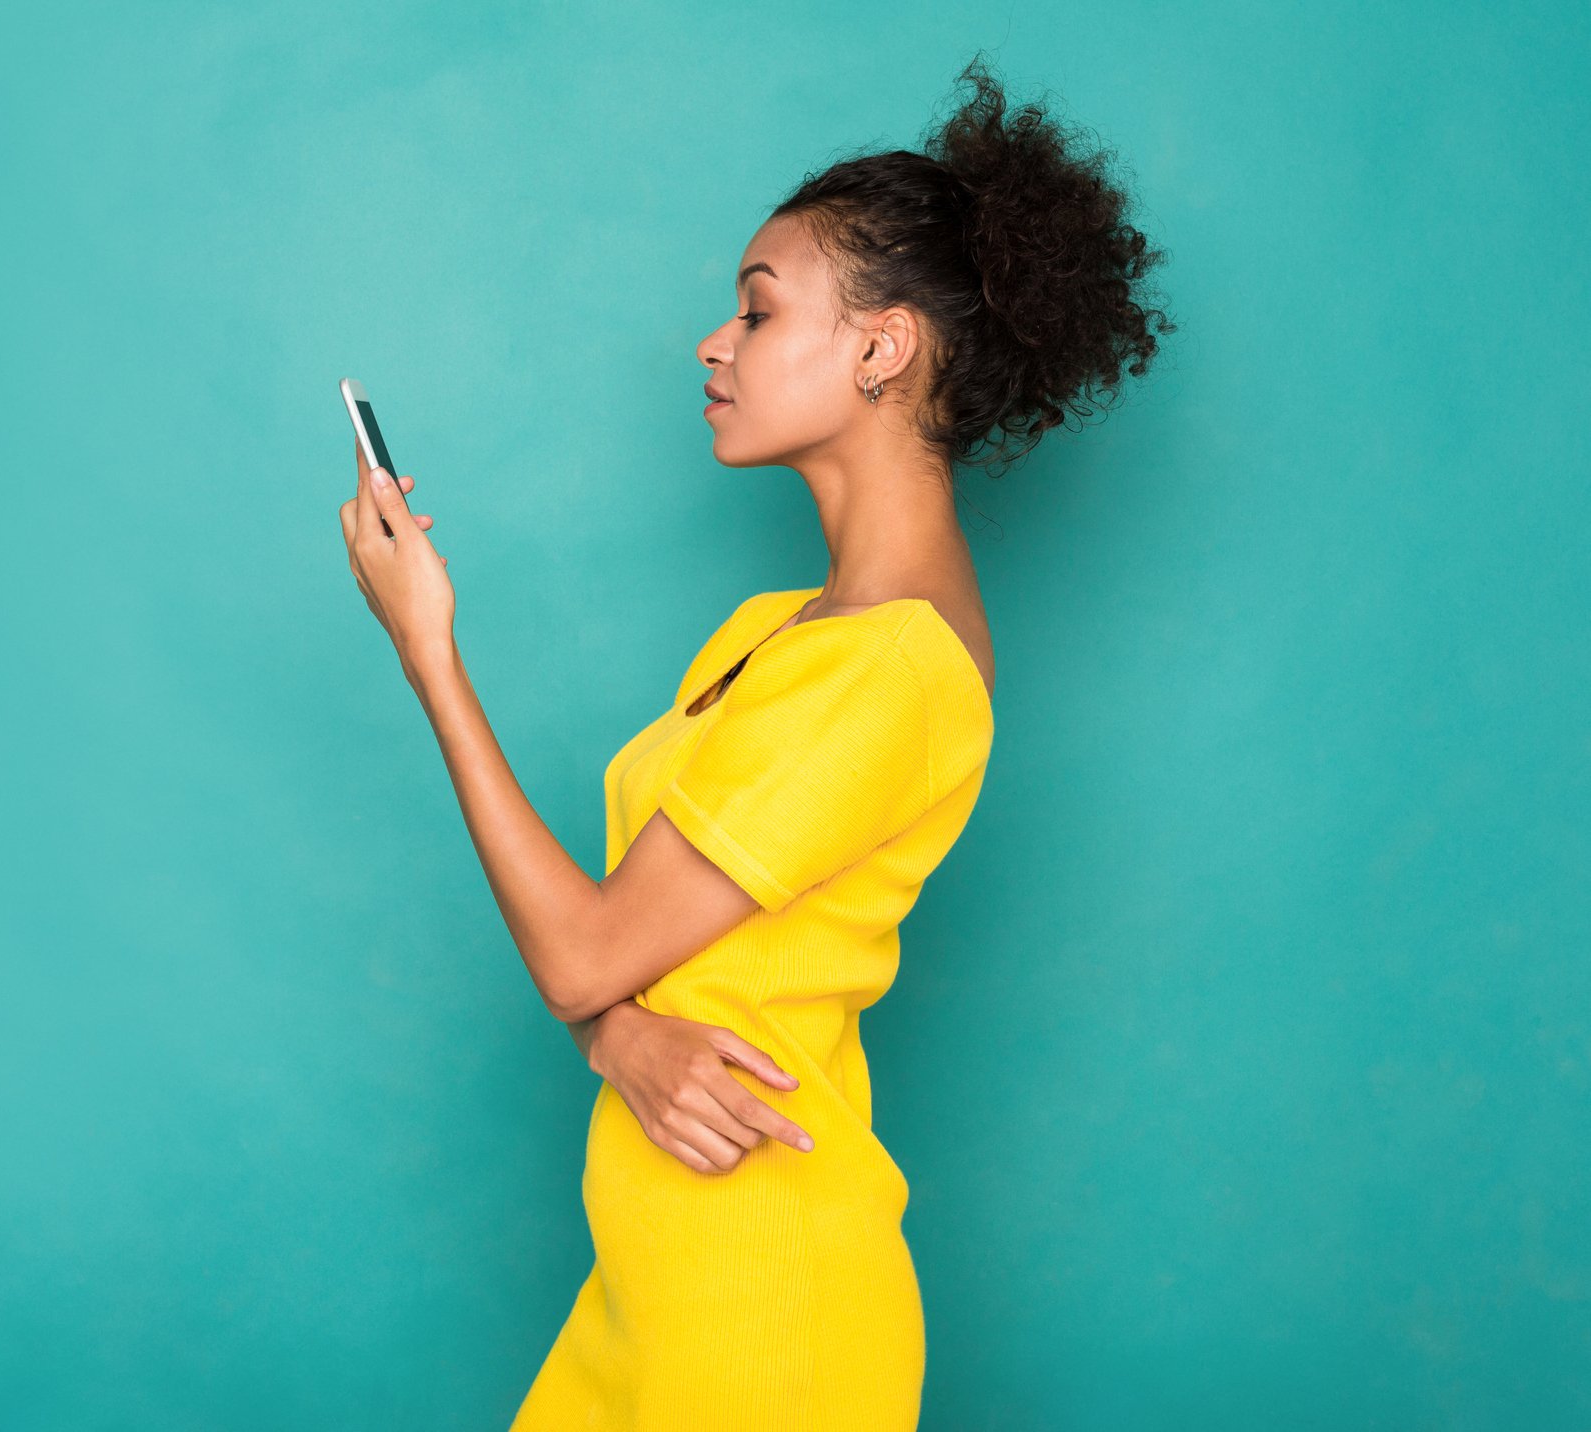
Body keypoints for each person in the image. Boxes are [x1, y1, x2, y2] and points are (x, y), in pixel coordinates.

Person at [339, 52, 1174, 1432]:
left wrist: (428, 648)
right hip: (653, 1280)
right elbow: (630, 970)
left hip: (763, 1312)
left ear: (880, 347)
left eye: (756, 309)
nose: (711, 345)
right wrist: (617, 1041)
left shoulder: (889, 668)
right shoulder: (773, 631)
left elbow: (582, 951)